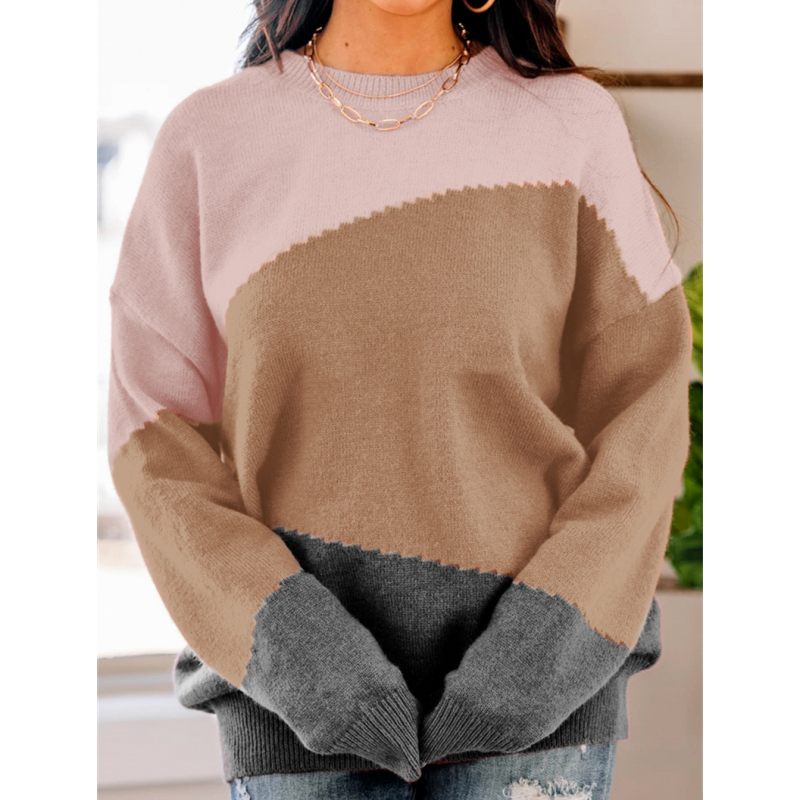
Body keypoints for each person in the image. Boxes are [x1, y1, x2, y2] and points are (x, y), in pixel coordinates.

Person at [106, 0, 694, 798]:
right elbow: (153, 442)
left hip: (537, 722)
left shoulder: (571, 125)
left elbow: (643, 416)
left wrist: (537, 656)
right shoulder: (209, 139)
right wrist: (304, 660)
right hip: (293, 717)